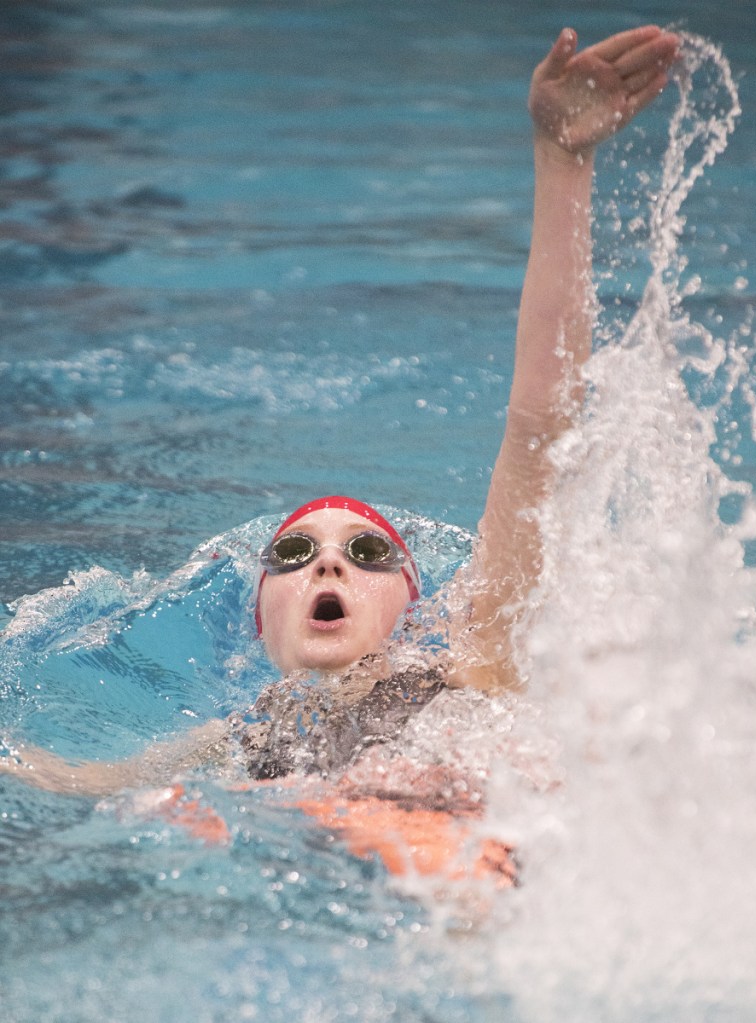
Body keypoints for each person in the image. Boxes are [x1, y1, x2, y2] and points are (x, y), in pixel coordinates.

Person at [0, 27, 680, 845]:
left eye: (369, 553)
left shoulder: (472, 664)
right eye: (293, 554)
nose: (327, 561)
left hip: (494, 880)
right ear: (260, 616)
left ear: (412, 604)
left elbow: (540, 425)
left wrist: (563, 160)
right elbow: (68, 780)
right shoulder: (241, 745)